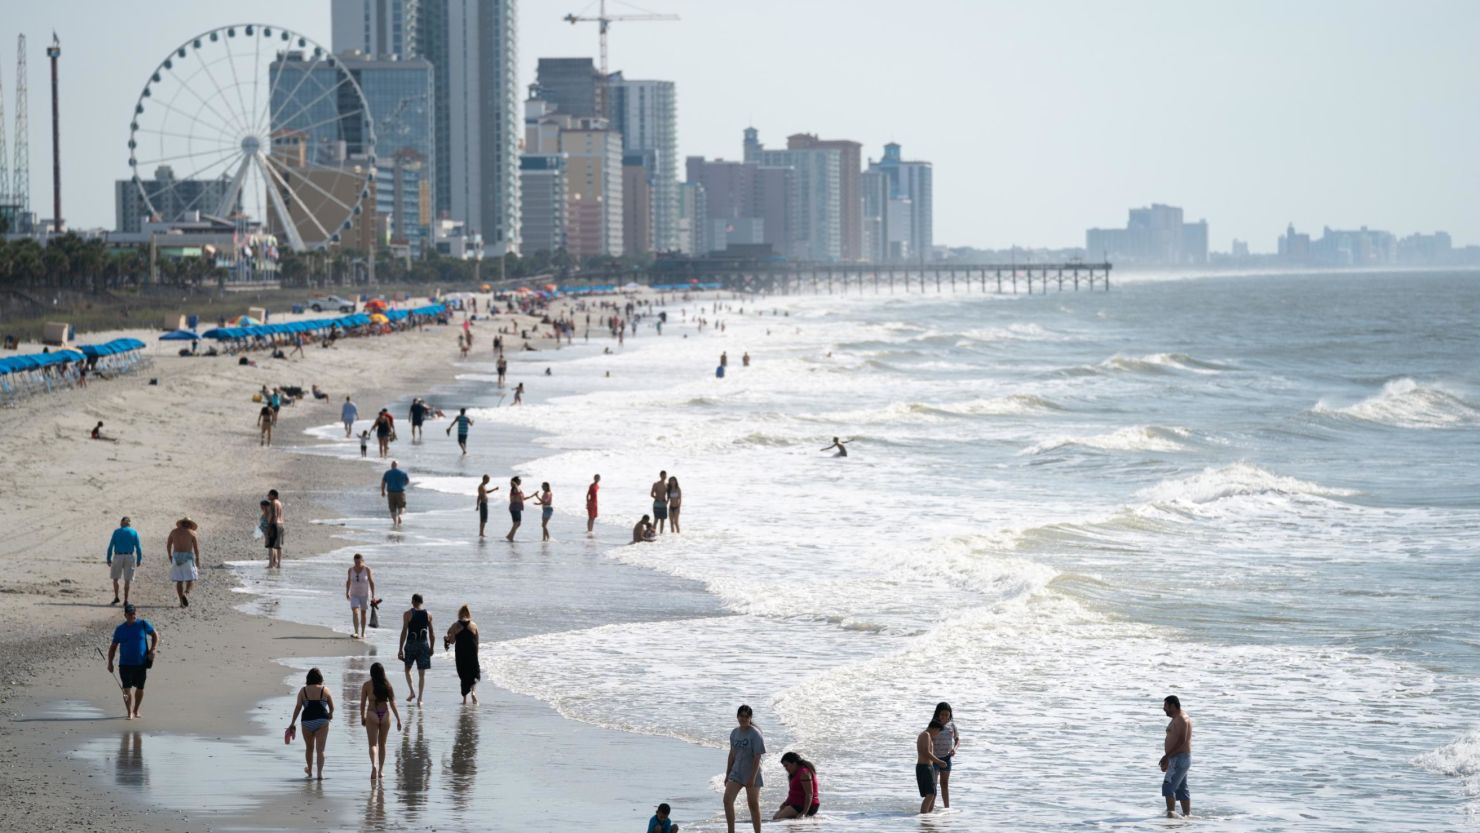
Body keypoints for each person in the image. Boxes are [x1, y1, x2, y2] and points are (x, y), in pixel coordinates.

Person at [107, 604, 158, 721]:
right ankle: (129, 712)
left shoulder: (143, 624)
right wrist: (110, 663)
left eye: (134, 613)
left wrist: (153, 648)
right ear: (125, 615)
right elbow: (113, 647)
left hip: (141, 663)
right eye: (130, 614)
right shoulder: (120, 629)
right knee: (126, 689)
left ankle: (136, 709)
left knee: (140, 688)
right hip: (125, 664)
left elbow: (155, 634)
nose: (132, 616)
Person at [724, 704, 765, 833]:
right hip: (736, 772)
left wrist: (752, 778)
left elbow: (757, 757)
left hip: (752, 772)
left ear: (750, 718)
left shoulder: (755, 734)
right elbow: (732, 754)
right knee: (727, 800)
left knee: (753, 804)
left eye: (746, 717)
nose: (743, 719)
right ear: (737, 716)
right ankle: (731, 831)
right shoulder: (734, 732)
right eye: (741, 716)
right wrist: (727, 774)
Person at [287, 668, 335, 780]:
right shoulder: (325, 690)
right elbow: (332, 707)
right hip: (322, 721)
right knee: (320, 750)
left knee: (309, 748)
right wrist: (330, 714)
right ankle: (319, 774)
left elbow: (298, 707)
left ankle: (309, 771)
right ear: (320, 678)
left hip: (306, 722)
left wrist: (292, 723)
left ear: (308, 678)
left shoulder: (303, 691)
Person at [359, 662, 402, 781]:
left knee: (373, 744)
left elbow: (362, 703)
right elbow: (392, 703)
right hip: (385, 714)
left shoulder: (366, 685)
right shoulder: (387, 685)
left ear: (371, 673)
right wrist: (398, 719)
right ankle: (381, 770)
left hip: (372, 713)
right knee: (382, 744)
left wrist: (362, 717)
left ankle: (374, 765)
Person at [1160, 695, 1193, 818]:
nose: (1164, 710)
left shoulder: (1182, 719)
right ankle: (1187, 816)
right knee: (1181, 788)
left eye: (1166, 707)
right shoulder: (1177, 718)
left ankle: (1171, 816)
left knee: (1168, 786)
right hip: (1179, 758)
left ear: (1173, 705)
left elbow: (1181, 741)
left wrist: (1167, 756)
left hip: (1179, 758)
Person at [398, 594, 434, 707]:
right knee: (422, 673)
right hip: (423, 645)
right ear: (421, 601)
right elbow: (432, 633)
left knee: (407, 669)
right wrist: (432, 647)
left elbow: (404, 631)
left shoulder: (407, 614)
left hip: (411, 644)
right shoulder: (428, 614)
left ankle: (412, 692)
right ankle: (420, 699)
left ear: (413, 601)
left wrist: (400, 649)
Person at [444, 605, 481, 704]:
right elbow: (477, 641)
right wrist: (476, 654)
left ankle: (464, 700)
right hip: (472, 652)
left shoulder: (456, 625)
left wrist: (447, 638)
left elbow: (452, 641)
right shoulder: (474, 625)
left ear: (459, 614)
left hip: (461, 652)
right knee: (473, 673)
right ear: (469, 614)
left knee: (463, 674)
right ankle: (473, 693)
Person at [106, 516, 144, 606]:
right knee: (127, 580)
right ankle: (126, 600)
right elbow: (138, 547)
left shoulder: (116, 532)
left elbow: (111, 546)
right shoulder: (133, 532)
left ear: (121, 523)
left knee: (115, 579)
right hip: (129, 556)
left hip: (118, 556)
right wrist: (139, 559)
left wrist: (108, 558)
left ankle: (116, 597)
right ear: (129, 523)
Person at [773, 751, 820, 819]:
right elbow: (793, 792)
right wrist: (785, 803)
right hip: (796, 804)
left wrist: (804, 813)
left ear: (794, 763)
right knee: (775, 817)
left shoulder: (804, 773)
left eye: (786, 765)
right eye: (784, 766)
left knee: (779, 819)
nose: (786, 769)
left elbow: (809, 794)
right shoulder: (794, 773)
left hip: (808, 806)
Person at [165, 517, 200, 608]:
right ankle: (186, 594)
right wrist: (198, 559)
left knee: (179, 581)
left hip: (176, 557)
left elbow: (168, 545)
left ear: (181, 523)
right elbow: (196, 548)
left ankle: (181, 601)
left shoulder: (174, 532)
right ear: (189, 524)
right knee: (190, 579)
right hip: (187, 557)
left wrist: (169, 555)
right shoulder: (192, 533)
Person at [916, 718, 949, 814]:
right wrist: (939, 761)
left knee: (932, 793)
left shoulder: (927, 735)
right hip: (924, 767)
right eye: (938, 731)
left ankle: (927, 817)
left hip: (927, 767)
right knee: (930, 794)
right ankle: (923, 816)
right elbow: (926, 751)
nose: (937, 734)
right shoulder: (926, 735)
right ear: (935, 728)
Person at [933, 702, 960, 808]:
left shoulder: (952, 725)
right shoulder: (934, 724)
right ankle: (931, 807)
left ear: (950, 715)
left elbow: (957, 739)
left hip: (946, 758)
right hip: (934, 758)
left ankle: (946, 808)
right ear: (937, 714)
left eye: (946, 715)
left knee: (944, 784)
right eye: (942, 714)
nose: (944, 717)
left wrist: (955, 749)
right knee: (933, 785)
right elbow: (928, 738)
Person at [346, 554, 375, 639]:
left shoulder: (367, 570)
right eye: (355, 562)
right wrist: (347, 592)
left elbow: (371, 582)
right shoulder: (350, 570)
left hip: (364, 595)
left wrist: (373, 594)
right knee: (355, 611)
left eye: (359, 562)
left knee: (363, 613)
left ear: (362, 561)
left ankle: (362, 633)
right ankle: (356, 632)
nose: (357, 564)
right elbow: (348, 581)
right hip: (354, 594)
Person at [382, 461, 410, 526]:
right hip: (400, 492)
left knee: (392, 508)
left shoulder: (387, 473)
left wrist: (383, 491)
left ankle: (395, 522)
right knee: (402, 506)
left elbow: (383, 482)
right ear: (397, 465)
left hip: (391, 493)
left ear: (391, 465)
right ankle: (399, 515)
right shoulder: (403, 473)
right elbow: (408, 481)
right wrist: (402, 485)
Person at [265, 489, 285, 569]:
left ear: (273, 495)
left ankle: (271, 564)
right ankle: (279, 564)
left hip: (274, 524)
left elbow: (274, 515)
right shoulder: (279, 503)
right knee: (278, 546)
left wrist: (269, 524)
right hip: (281, 524)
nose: (268, 496)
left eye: (269, 495)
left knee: (271, 545)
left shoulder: (273, 503)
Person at [506, 477, 525, 541]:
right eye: (519, 480)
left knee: (518, 523)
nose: (520, 481)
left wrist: (531, 496)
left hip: (518, 507)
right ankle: (510, 537)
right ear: (516, 481)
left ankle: (509, 535)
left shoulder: (518, 488)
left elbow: (522, 498)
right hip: (514, 507)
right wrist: (514, 484)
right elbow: (517, 491)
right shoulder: (514, 488)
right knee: (516, 522)